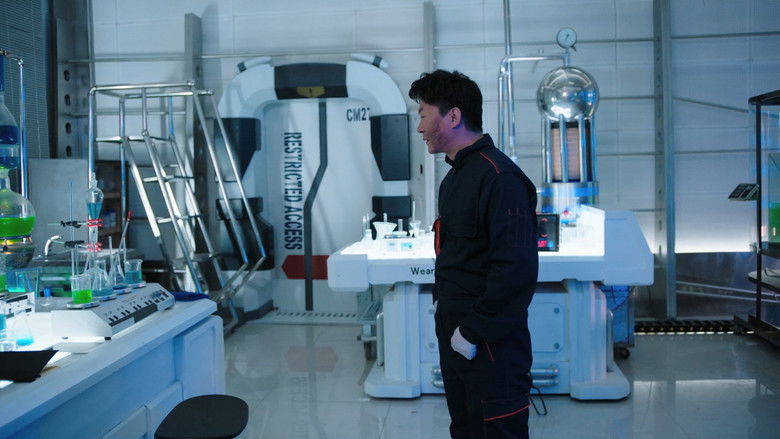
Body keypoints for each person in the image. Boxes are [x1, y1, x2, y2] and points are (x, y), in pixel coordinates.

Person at [409, 70, 538, 439]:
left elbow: (515, 270)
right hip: (458, 338)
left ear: (452, 116)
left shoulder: (500, 177)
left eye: (423, 114)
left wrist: (472, 331)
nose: (420, 127)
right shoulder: (454, 178)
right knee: (465, 427)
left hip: (490, 345)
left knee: (495, 429)